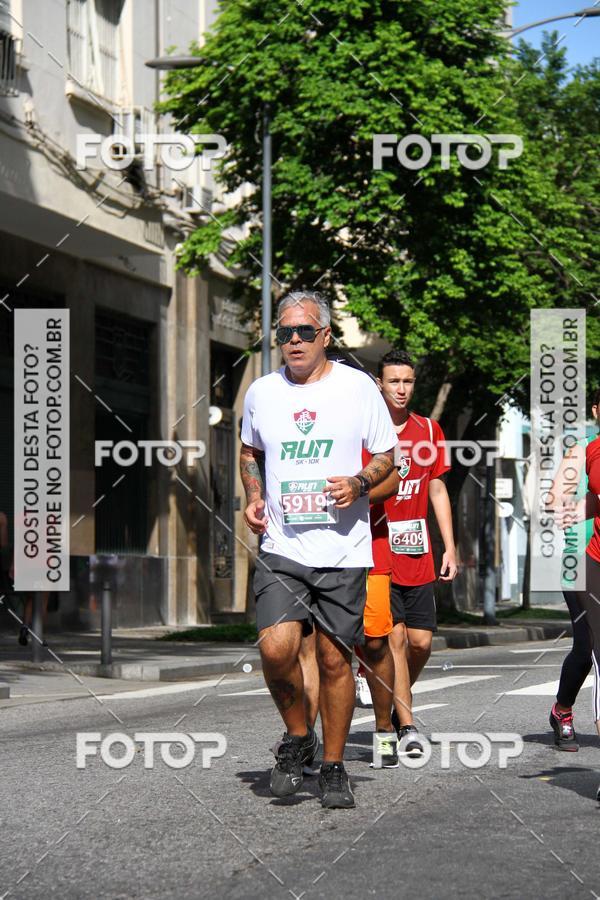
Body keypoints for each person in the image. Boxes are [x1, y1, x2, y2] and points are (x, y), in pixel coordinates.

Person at [240, 290, 397, 809]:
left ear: (325, 335)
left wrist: (358, 482)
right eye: (285, 332)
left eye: (304, 331)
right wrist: (254, 495)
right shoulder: (262, 392)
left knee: (334, 661)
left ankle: (333, 767)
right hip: (283, 545)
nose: (294, 341)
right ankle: (297, 735)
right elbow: (249, 451)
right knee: (275, 649)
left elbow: (388, 459)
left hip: (343, 550)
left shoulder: (357, 387)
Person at [376, 350, 458, 748]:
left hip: (418, 552)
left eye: (407, 381)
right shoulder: (368, 429)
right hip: (379, 552)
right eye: (394, 381)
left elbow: (437, 489)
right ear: (380, 384)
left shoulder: (429, 429)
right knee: (395, 640)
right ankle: (405, 725)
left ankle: (394, 694)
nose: (401, 389)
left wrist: (450, 547)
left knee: (421, 642)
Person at [549, 391, 600, 752]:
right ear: (596, 410)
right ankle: (562, 710)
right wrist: (567, 507)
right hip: (580, 562)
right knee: (587, 645)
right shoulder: (582, 450)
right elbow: (554, 498)